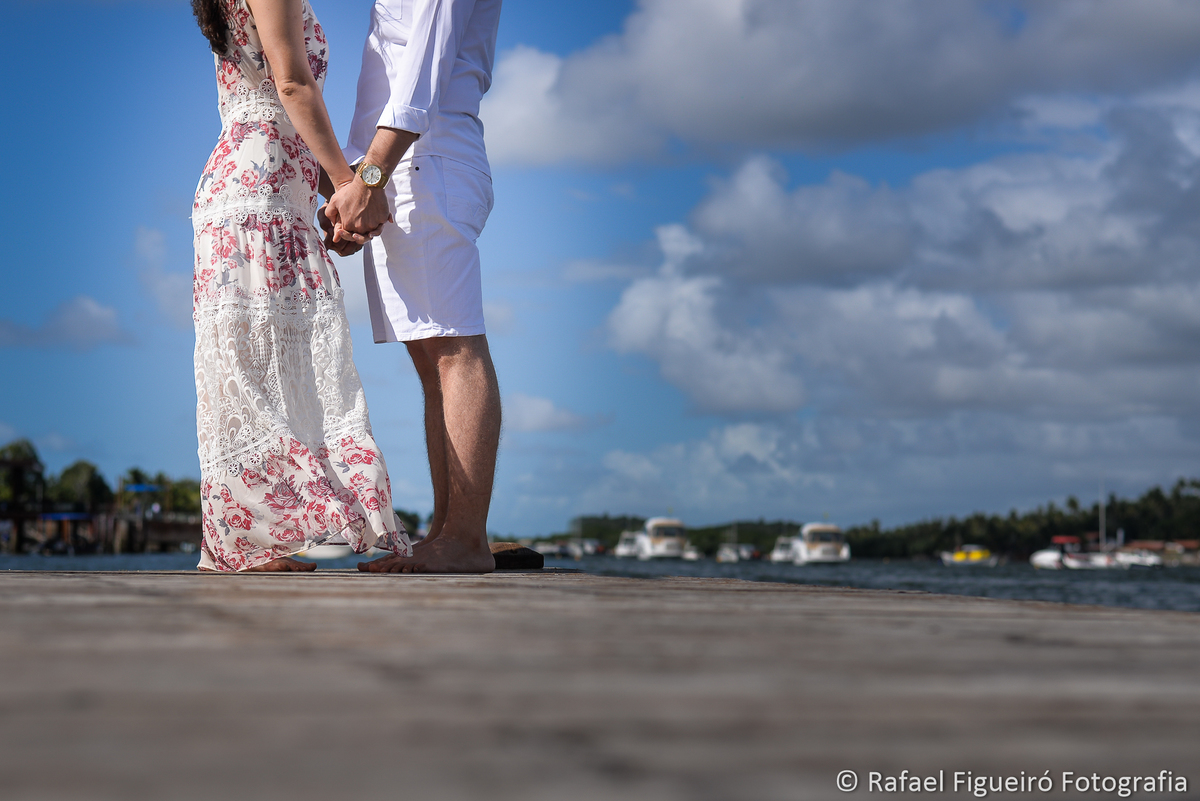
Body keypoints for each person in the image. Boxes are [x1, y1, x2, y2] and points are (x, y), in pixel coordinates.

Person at [189, 0, 412, 571]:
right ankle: (250, 542)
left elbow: (282, 105)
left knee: (270, 365)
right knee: (253, 368)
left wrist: (332, 195)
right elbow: (291, 85)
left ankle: (257, 540)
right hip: (255, 189)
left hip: (267, 184)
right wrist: (350, 183)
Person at [325, 0, 503, 574]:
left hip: (421, 162)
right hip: (406, 166)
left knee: (453, 349)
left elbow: (421, 72)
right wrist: (362, 184)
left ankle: (466, 538)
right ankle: (447, 531)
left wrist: (368, 178)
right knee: (433, 362)